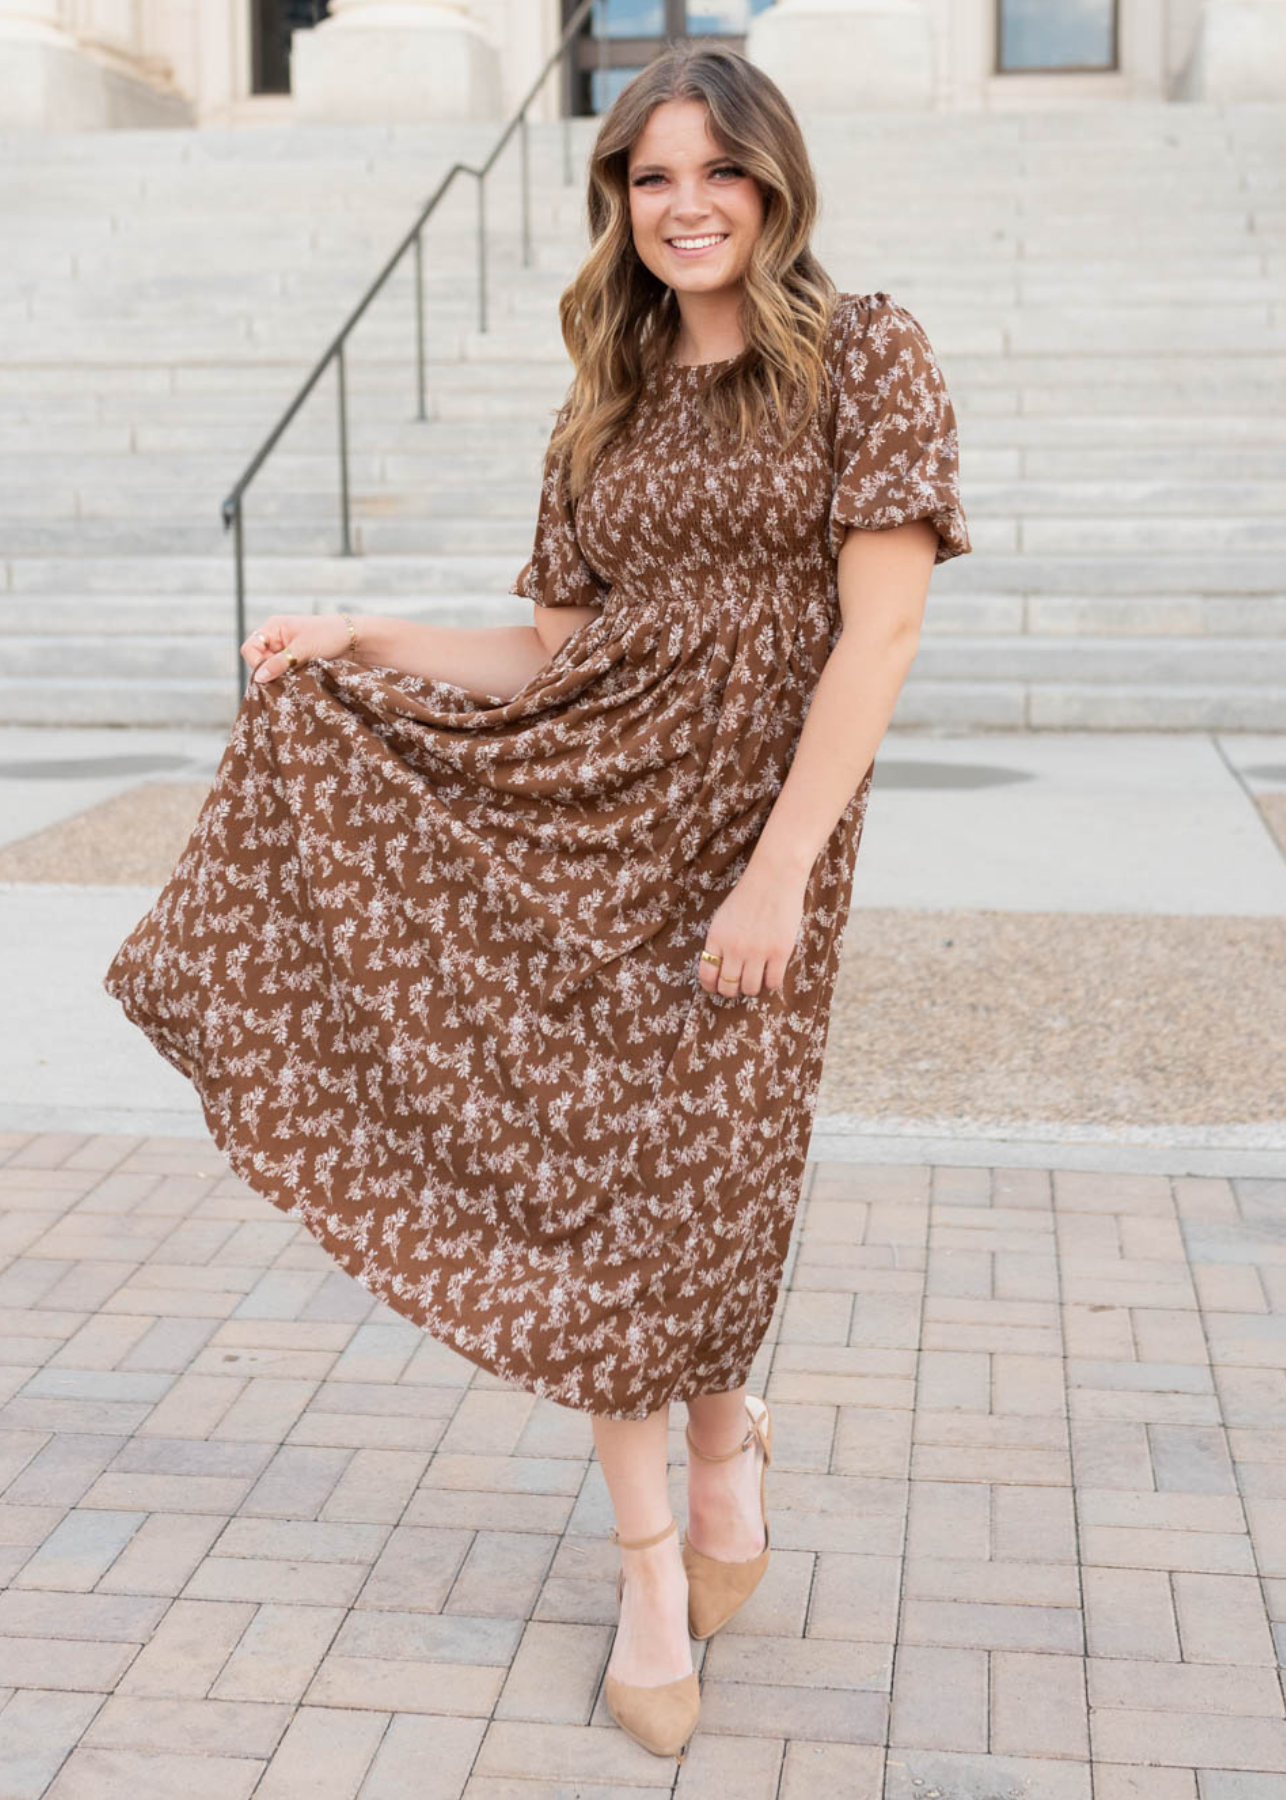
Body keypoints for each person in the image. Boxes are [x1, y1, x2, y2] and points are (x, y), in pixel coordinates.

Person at [103, 41, 970, 1764]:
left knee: (708, 1185)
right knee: (613, 1204)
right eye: (650, 177)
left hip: (753, 848)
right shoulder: (612, 397)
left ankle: (722, 1464)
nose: (685, 205)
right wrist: (365, 636)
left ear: (772, 181)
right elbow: (557, 648)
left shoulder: (868, 355)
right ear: (616, 203)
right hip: (588, 828)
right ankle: (654, 1566)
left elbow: (877, 634)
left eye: (715, 170)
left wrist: (779, 867)